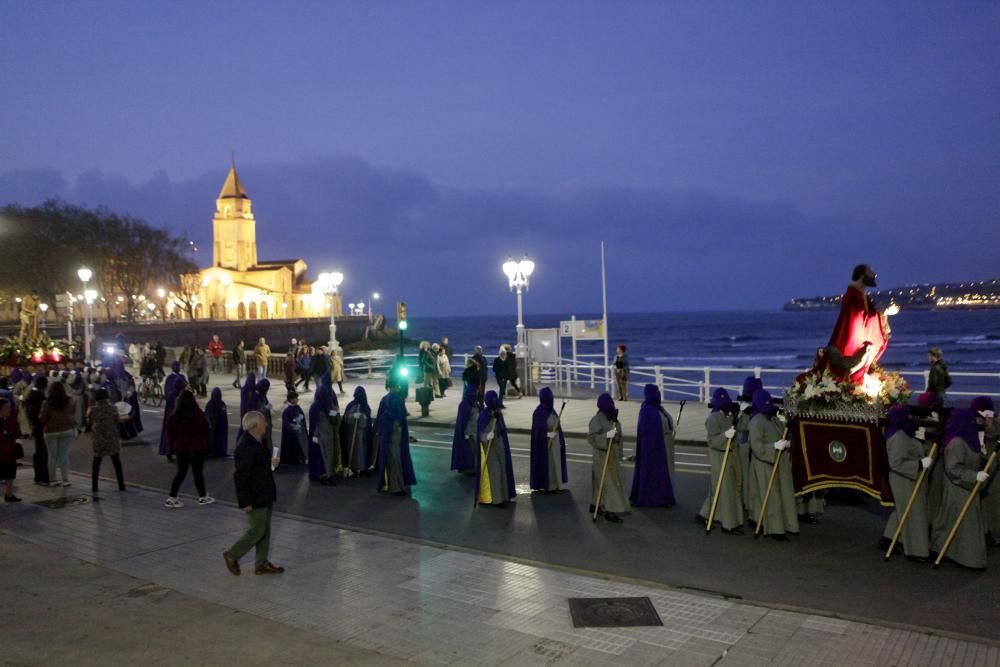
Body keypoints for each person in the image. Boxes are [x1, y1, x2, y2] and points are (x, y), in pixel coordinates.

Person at [223, 410, 284, 576]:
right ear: (256, 425)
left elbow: (259, 468)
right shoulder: (246, 446)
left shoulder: (257, 441)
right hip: (255, 496)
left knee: (265, 530)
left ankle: (261, 563)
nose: (267, 424)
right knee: (257, 530)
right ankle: (232, 554)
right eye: (264, 422)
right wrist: (245, 502)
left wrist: (271, 463)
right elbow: (241, 476)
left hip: (264, 493)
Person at [931, 409, 989, 570]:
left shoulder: (968, 439)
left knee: (960, 521)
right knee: (961, 522)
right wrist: (974, 476)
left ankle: (950, 551)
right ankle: (968, 557)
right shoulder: (956, 442)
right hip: (957, 488)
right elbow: (953, 469)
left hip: (966, 487)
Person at [879, 406, 932, 561]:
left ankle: (889, 539)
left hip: (908, 477)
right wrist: (919, 465)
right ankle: (916, 551)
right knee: (913, 513)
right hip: (903, 478)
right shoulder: (898, 436)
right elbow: (896, 463)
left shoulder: (905, 432)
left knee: (904, 510)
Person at [826, 264, 894, 385]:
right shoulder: (853, 295)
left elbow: (869, 315)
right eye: (870, 272)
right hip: (853, 343)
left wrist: (883, 315)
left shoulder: (863, 295)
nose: (874, 275)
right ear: (862, 275)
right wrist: (884, 313)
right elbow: (857, 319)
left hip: (860, 341)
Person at [748, 390, 798, 540]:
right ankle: (776, 529)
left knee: (783, 493)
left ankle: (785, 524)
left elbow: (782, 433)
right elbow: (757, 447)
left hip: (778, 461)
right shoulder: (756, 421)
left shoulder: (772, 419)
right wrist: (774, 446)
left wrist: (787, 438)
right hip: (765, 463)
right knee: (771, 496)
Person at [698, 388, 742, 534]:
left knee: (718, 487)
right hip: (719, 456)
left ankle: (705, 513)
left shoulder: (726, 416)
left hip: (728, 455)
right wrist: (725, 435)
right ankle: (728, 524)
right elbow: (712, 440)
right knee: (726, 489)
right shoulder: (712, 418)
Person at [164, 390, 215, 508]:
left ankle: (172, 498)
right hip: (197, 447)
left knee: (181, 473)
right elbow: (205, 430)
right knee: (198, 473)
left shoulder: (175, 415)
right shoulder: (198, 413)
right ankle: (203, 497)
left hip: (181, 447)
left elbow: (169, 431)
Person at [629, 384, 676, 508]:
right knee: (657, 473)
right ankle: (657, 498)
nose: (658, 394)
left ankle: (664, 496)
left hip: (665, 445)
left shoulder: (658, 408)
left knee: (665, 473)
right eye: (655, 392)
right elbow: (647, 433)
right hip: (655, 448)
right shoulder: (647, 410)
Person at [588, 394, 626, 523]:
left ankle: (596, 504)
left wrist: (617, 437)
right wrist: (606, 436)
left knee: (602, 482)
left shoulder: (613, 419)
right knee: (608, 483)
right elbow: (592, 438)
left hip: (612, 455)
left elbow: (619, 435)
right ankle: (611, 510)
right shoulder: (596, 419)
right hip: (602, 456)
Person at [475, 390, 515, 506]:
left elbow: (502, 428)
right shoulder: (483, 415)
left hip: (500, 445)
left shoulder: (498, 413)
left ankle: (504, 495)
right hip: (490, 448)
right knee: (495, 471)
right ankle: (496, 498)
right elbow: (480, 434)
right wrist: (486, 436)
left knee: (502, 469)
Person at [375, 382, 416, 495]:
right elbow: (400, 416)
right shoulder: (397, 399)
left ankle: (391, 484)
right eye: (397, 385)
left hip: (387, 434)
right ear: (393, 386)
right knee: (396, 459)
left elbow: (380, 416)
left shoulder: (386, 399)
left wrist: (378, 430)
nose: (399, 387)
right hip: (395, 434)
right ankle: (397, 486)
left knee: (390, 459)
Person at [972, 397, 999, 547]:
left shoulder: (994, 420)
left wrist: (990, 419)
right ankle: (983, 532)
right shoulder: (973, 421)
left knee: (987, 502)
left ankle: (986, 531)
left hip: (989, 466)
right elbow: (988, 435)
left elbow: (992, 434)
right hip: (979, 465)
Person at [87, 388, 126, 493]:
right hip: (111, 438)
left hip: (98, 439)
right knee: (116, 462)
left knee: (96, 463)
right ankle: (121, 485)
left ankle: (94, 487)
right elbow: (118, 421)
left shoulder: (92, 410)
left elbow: (89, 422)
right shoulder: (113, 408)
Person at [39, 380, 77, 487]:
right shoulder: (69, 401)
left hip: (50, 431)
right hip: (66, 430)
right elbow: (72, 413)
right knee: (64, 455)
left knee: (52, 456)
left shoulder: (46, 403)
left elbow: (42, 419)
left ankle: (52, 480)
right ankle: (65, 479)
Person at [529, 387, 567, 492]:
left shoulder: (553, 411)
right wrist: (546, 434)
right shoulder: (538, 413)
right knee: (547, 465)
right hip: (544, 445)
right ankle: (545, 485)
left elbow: (557, 426)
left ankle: (555, 484)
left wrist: (559, 438)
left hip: (554, 442)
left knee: (555, 463)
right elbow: (537, 432)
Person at [736, 376, 762, 518]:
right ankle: (750, 504)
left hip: (745, 445)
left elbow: (741, 428)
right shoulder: (752, 410)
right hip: (750, 446)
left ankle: (746, 503)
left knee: (745, 477)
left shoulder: (745, 409)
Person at [307, 384, 339, 485]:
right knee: (320, 456)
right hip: (319, 436)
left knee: (326, 455)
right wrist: (315, 434)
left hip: (326, 435)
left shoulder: (324, 405)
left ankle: (326, 473)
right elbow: (314, 422)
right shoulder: (316, 406)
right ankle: (321, 475)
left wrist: (334, 414)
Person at [158, 362, 188, 461]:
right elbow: (168, 395)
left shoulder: (181, 377)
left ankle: (177, 450)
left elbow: (186, 390)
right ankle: (170, 450)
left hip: (179, 408)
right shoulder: (171, 378)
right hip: (173, 408)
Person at [23, 375, 49, 485]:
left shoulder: (31, 395)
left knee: (39, 451)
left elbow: (29, 413)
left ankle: (39, 476)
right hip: (41, 427)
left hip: (36, 426)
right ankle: (42, 476)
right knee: (42, 452)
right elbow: (41, 414)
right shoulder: (40, 397)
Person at [341, 386, 373, 475]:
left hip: (362, 435)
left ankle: (362, 467)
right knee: (353, 451)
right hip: (351, 435)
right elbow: (346, 418)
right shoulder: (350, 405)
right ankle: (353, 467)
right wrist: (352, 416)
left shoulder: (366, 407)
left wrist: (362, 417)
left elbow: (367, 421)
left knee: (362, 452)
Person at [450, 384, 479, 475]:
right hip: (467, 433)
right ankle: (468, 468)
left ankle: (472, 468)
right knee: (469, 451)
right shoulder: (465, 404)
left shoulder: (474, 403)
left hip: (473, 432)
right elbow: (463, 420)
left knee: (473, 451)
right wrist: (465, 433)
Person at [0, 398, 22, 502]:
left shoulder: (12, 418)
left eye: (9, 407)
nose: (9, 409)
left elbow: (17, 432)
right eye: (6, 407)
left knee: (10, 474)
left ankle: (9, 495)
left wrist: (18, 442)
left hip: (10, 451)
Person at [279, 390, 308, 465]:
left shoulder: (297, 407)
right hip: (294, 433)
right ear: (291, 399)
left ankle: (302, 457)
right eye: (295, 398)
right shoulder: (287, 411)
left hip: (300, 431)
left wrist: (300, 418)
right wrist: (293, 426)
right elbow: (286, 423)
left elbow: (301, 416)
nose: (297, 400)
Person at [205, 388, 229, 458]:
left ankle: (216, 451)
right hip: (217, 425)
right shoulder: (220, 404)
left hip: (217, 425)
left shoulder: (212, 404)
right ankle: (216, 451)